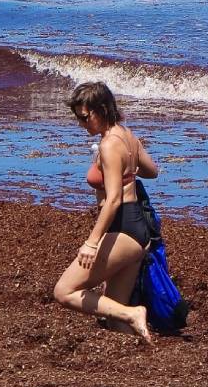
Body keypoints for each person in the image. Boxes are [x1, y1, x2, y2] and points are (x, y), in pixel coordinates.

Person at [53, 81, 159, 343]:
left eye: (85, 117)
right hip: (137, 230)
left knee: (64, 291)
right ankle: (138, 357)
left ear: (101, 110)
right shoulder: (127, 135)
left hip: (123, 227)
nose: (82, 124)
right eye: (78, 118)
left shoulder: (109, 145)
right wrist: (127, 170)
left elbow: (113, 201)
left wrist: (91, 243)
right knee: (114, 319)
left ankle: (134, 313)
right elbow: (152, 171)